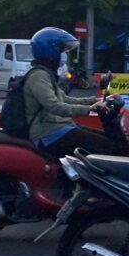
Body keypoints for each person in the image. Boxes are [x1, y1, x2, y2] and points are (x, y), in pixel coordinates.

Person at [24, 27, 121, 159]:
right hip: (47, 134)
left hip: (60, 128)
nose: (64, 54)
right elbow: (55, 106)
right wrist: (89, 109)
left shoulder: (46, 73)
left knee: (105, 140)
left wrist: (94, 101)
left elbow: (65, 99)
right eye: (62, 50)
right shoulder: (39, 76)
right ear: (50, 51)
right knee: (107, 147)